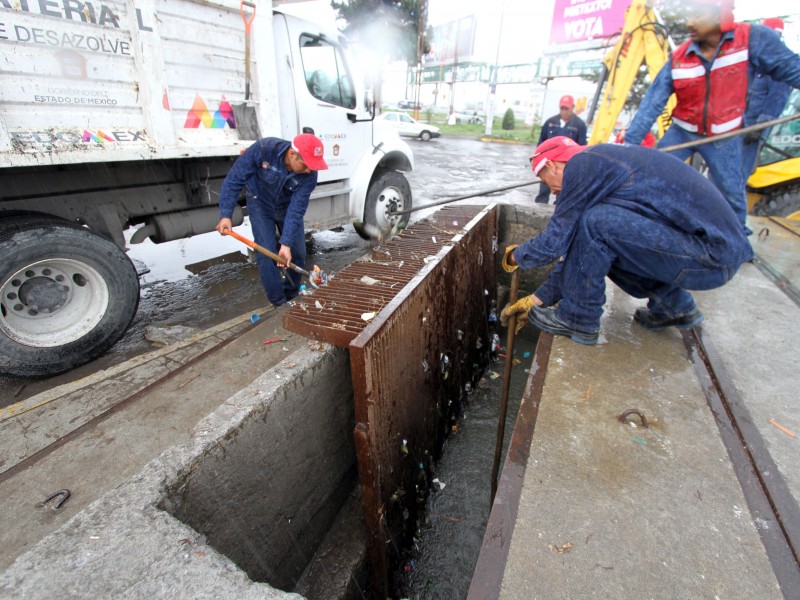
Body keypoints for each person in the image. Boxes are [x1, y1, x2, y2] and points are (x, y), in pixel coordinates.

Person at [499, 136, 753, 345]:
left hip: (708, 255)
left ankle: (578, 317)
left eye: (546, 181)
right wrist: (535, 300)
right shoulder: (605, 169)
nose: (552, 191)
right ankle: (674, 306)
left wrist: (514, 257)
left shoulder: (581, 163)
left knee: (596, 222)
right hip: (713, 259)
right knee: (603, 239)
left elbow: (554, 243)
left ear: (552, 165)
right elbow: (581, 255)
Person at [624, 0, 800, 232]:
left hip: (724, 134)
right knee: (654, 173)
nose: (690, 22)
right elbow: (653, 102)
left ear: (721, 16)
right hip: (682, 130)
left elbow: (789, 67)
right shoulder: (680, 56)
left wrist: (764, 121)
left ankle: (737, 239)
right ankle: (642, 224)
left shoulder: (751, 40)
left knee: (730, 190)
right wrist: (630, 143)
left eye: (698, 15)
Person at [215, 133, 328, 307]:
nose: (309, 171)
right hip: (260, 204)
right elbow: (235, 178)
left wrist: (286, 244)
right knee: (266, 253)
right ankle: (279, 303)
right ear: (292, 154)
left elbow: (297, 209)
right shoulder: (264, 149)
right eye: (305, 165)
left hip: (287, 206)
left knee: (297, 253)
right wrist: (225, 215)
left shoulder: (310, 175)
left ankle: (291, 295)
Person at [740, 18, 792, 184]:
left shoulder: (778, 64)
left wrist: (760, 127)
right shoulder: (757, 63)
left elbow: (777, 98)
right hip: (741, 127)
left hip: (753, 131)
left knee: (738, 175)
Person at [534, 95, 587, 204]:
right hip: (548, 165)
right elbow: (541, 141)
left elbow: (582, 147)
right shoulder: (550, 122)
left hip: (564, 166)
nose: (564, 111)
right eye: (562, 108)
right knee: (544, 189)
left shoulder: (579, 125)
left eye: (566, 108)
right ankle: (539, 207)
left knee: (562, 192)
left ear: (572, 107)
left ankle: (559, 207)